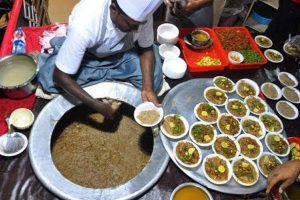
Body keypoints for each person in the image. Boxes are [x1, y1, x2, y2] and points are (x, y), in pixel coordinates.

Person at [37, 0, 163, 119]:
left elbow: (146, 49)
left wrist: (147, 88)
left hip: (123, 56)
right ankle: (70, 54)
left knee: (154, 81)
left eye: (138, 26)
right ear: (114, 9)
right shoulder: (85, 23)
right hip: (89, 58)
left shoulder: (140, 18)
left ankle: (101, 76)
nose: (136, 30)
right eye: (130, 25)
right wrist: (95, 104)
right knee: (48, 79)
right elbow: (60, 76)